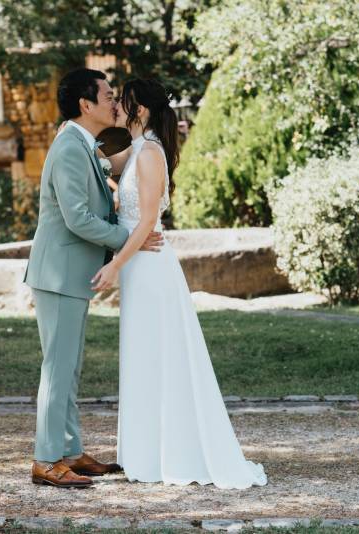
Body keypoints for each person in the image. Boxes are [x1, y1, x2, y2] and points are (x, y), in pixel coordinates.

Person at [91, 78, 268, 489]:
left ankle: (171, 454)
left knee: (161, 354)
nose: (118, 105)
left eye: (125, 101)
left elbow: (148, 219)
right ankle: (145, 454)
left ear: (143, 109)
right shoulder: (136, 150)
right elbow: (115, 185)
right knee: (143, 354)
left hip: (148, 266)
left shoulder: (150, 153)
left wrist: (116, 264)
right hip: (139, 264)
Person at [23, 68, 164, 488]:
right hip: (59, 273)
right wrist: (132, 239)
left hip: (70, 274)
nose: (115, 103)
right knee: (57, 369)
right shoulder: (69, 147)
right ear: (86, 105)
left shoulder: (84, 145)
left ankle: (69, 451)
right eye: (107, 95)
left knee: (68, 368)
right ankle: (46, 460)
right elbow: (78, 218)